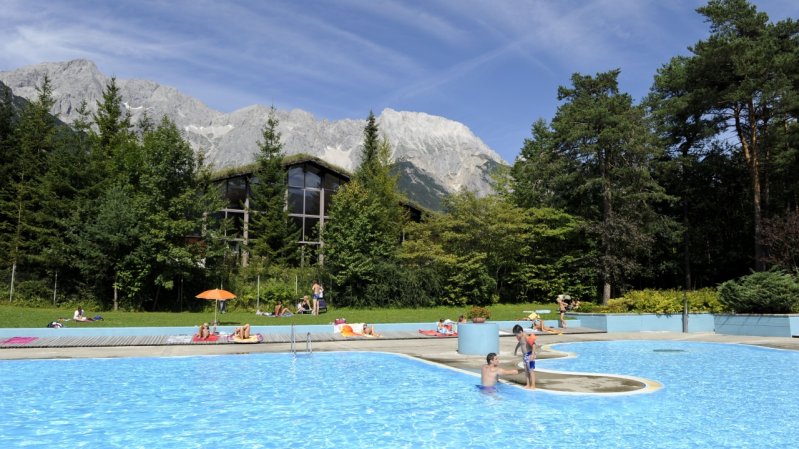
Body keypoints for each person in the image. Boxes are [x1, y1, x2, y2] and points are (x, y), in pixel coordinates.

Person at [513, 324, 537, 389]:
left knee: (531, 371)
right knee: (526, 371)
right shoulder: (520, 338)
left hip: (529, 355)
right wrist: (515, 350)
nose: (516, 336)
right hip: (524, 356)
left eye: (516, 334)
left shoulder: (526, 337)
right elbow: (520, 343)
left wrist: (533, 354)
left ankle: (533, 385)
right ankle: (528, 384)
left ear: (520, 332)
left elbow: (534, 344)